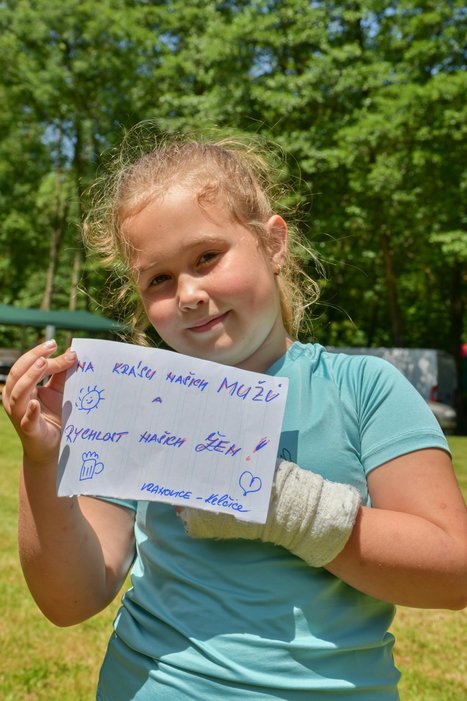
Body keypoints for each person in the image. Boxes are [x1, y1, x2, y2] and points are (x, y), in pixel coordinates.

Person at [3, 133, 467, 701]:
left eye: (206, 257)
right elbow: (70, 600)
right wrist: (44, 461)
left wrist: (279, 505)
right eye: (158, 279)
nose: (189, 294)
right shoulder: (132, 400)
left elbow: (453, 575)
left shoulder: (365, 389)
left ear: (274, 243)